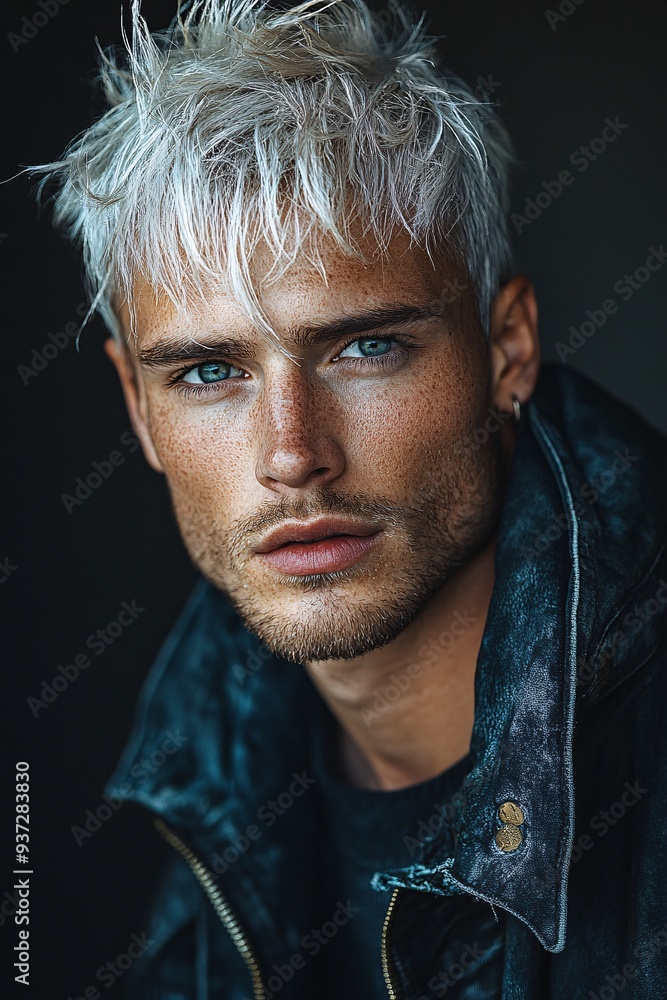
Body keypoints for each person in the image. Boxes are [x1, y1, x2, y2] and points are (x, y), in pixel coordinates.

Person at [30, 0, 667, 996]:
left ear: (507, 349)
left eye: (364, 346)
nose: (292, 455)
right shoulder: (203, 783)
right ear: (137, 408)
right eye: (207, 372)